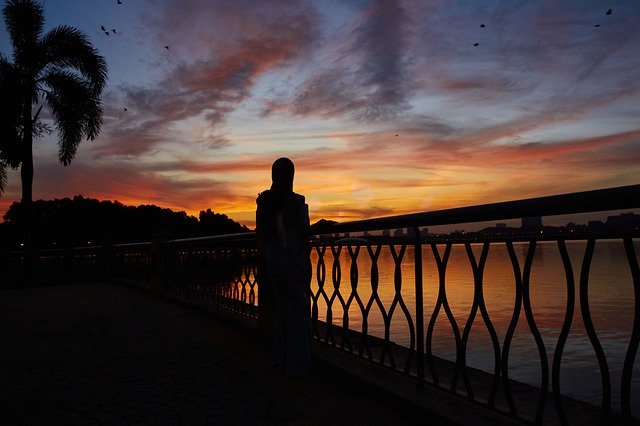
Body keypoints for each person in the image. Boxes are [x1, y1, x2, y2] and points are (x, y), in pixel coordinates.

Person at [256, 157, 313, 376]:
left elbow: (264, 233)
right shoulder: (290, 202)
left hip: (276, 261)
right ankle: (297, 364)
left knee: (284, 308)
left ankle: (283, 359)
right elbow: (298, 232)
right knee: (297, 307)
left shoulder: (266, 200)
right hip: (290, 261)